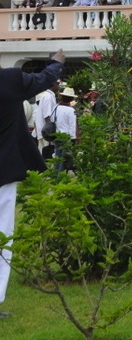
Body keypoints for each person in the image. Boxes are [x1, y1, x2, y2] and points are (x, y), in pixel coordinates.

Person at [0, 49, 65, 318]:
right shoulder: (9, 79)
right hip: (4, 170)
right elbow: (43, 79)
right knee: (3, 235)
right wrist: (56, 63)